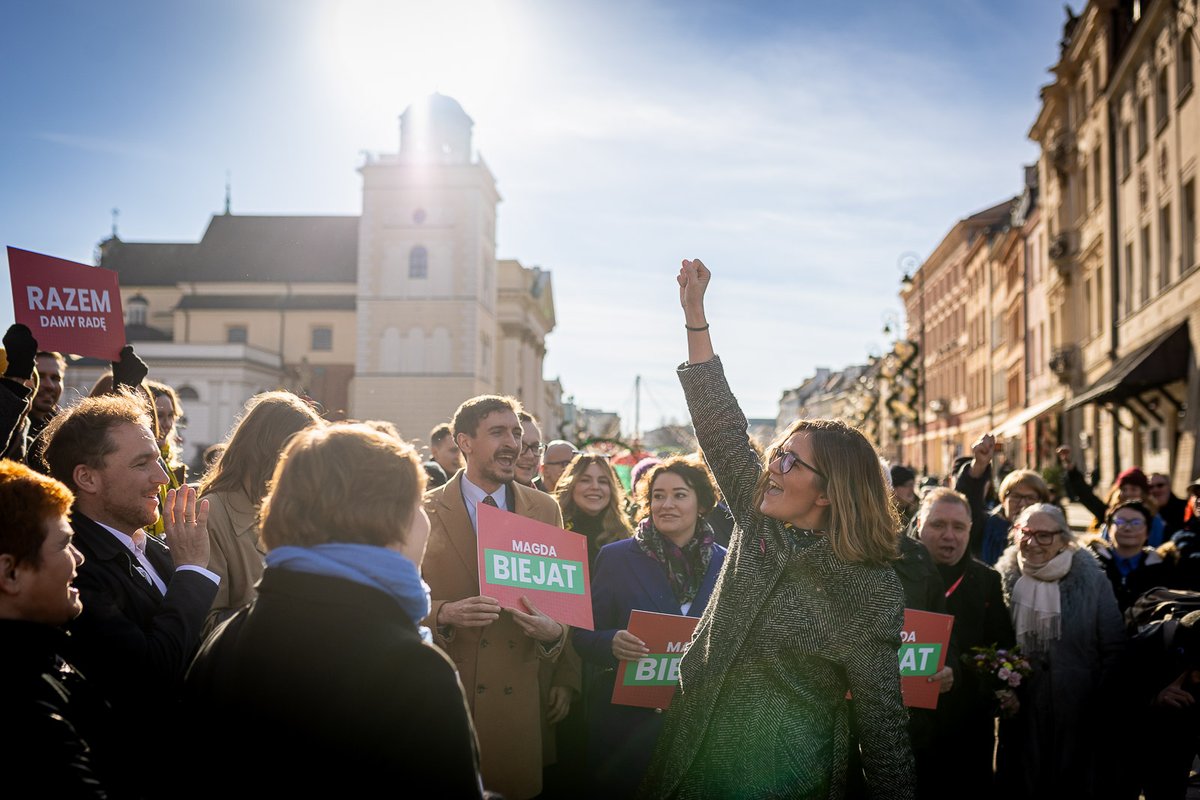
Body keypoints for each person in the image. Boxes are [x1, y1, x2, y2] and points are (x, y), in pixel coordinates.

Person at [639, 259, 915, 799]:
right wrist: (696, 317)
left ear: (830, 491)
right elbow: (720, 426)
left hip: (788, 779)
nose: (772, 467)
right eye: (778, 454)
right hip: (690, 758)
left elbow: (884, 732)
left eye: (791, 463)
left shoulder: (869, 588)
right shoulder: (758, 518)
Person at [182, 424, 484, 797]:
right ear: (391, 521)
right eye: (418, 505)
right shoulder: (414, 671)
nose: (426, 521)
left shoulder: (224, 642)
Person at [421, 394, 572, 800]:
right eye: (498, 432)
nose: (513, 444)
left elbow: (561, 611)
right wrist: (444, 613)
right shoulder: (422, 510)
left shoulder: (545, 509)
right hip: (445, 704)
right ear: (464, 442)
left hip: (515, 713)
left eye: (518, 434)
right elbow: (394, 604)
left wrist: (553, 631)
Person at [37, 390, 219, 719]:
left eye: (157, 459)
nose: (162, 477)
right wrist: (191, 573)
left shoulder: (157, 548)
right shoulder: (72, 567)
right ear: (87, 478)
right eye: (141, 464)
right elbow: (148, 676)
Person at [573, 456, 727, 798]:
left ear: (701, 503)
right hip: (625, 729)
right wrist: (610, 642)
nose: (666, 504)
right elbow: (582, 635)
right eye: (658, 495)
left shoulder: (726, 562)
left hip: (696, 729)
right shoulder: (615, 558)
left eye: (679, 495)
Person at [0, 460, 127, 797]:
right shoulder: (25, 703)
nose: (79, 559)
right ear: (10, 573)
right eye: (62, 544)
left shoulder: (48, 658)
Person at [994, 502, 1126, 800]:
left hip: (1080, 710)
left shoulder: (1091, 579)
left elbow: (1113, 645)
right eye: (1025, 532)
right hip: (1022, 710)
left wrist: (1103, 700)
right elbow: (992, 642)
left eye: (1044, 535)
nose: (1032, 543)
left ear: (1064, 538)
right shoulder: (1001, 579)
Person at [914, 487, 1016, 800]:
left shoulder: (986, 581)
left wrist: (959, 675)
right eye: (938, 525)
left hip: (967, 728)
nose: (949, 536)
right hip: (910, 729)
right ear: (919, 525)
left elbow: (1002, 651)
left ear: (970, 530)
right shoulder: (895, 575)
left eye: (958, 527)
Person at [197, 391, 323, 634]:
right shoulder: (210, 514)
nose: (308, 470)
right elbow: (205, 625)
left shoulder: (302, 511)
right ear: (269, 453)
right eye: (301, 458)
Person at [956, 434, 1049, 565]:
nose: (1022, 504)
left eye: (1030, 498)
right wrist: (979, 465)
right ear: (1003, 500)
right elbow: (967, 503)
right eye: (1016, 497)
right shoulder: (985, 527)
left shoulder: (1052, 533)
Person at [1086, 501, 1174, 612]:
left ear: (1148, 531)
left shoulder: (1163, 568)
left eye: (1136, 523)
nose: (1128, 528)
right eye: (1120, 522)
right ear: (1108, 529)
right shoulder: (1090, 563)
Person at [555, 453, 634, 567]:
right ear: (571, 485)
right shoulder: (554, 527)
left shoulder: (623, 534)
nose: (595, 487)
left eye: (602, 481)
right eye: (585, 480)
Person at [424, 422, 463, 489]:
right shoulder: (426, 480)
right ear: (435, 452)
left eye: (462, 450)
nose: (460, 456)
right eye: (453, 450)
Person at [1148, 472, 1188, 536]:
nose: (1155, 490)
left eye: (1160, 485)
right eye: (1150, 487)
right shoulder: (1145, 512)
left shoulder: (1186, 507)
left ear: (1169, 486)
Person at [889, 464, 919, 531]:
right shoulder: (887, 515)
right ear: (894, 488)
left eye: (913, 485)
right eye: (908, 485)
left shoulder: (918, 511)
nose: (912, 489)